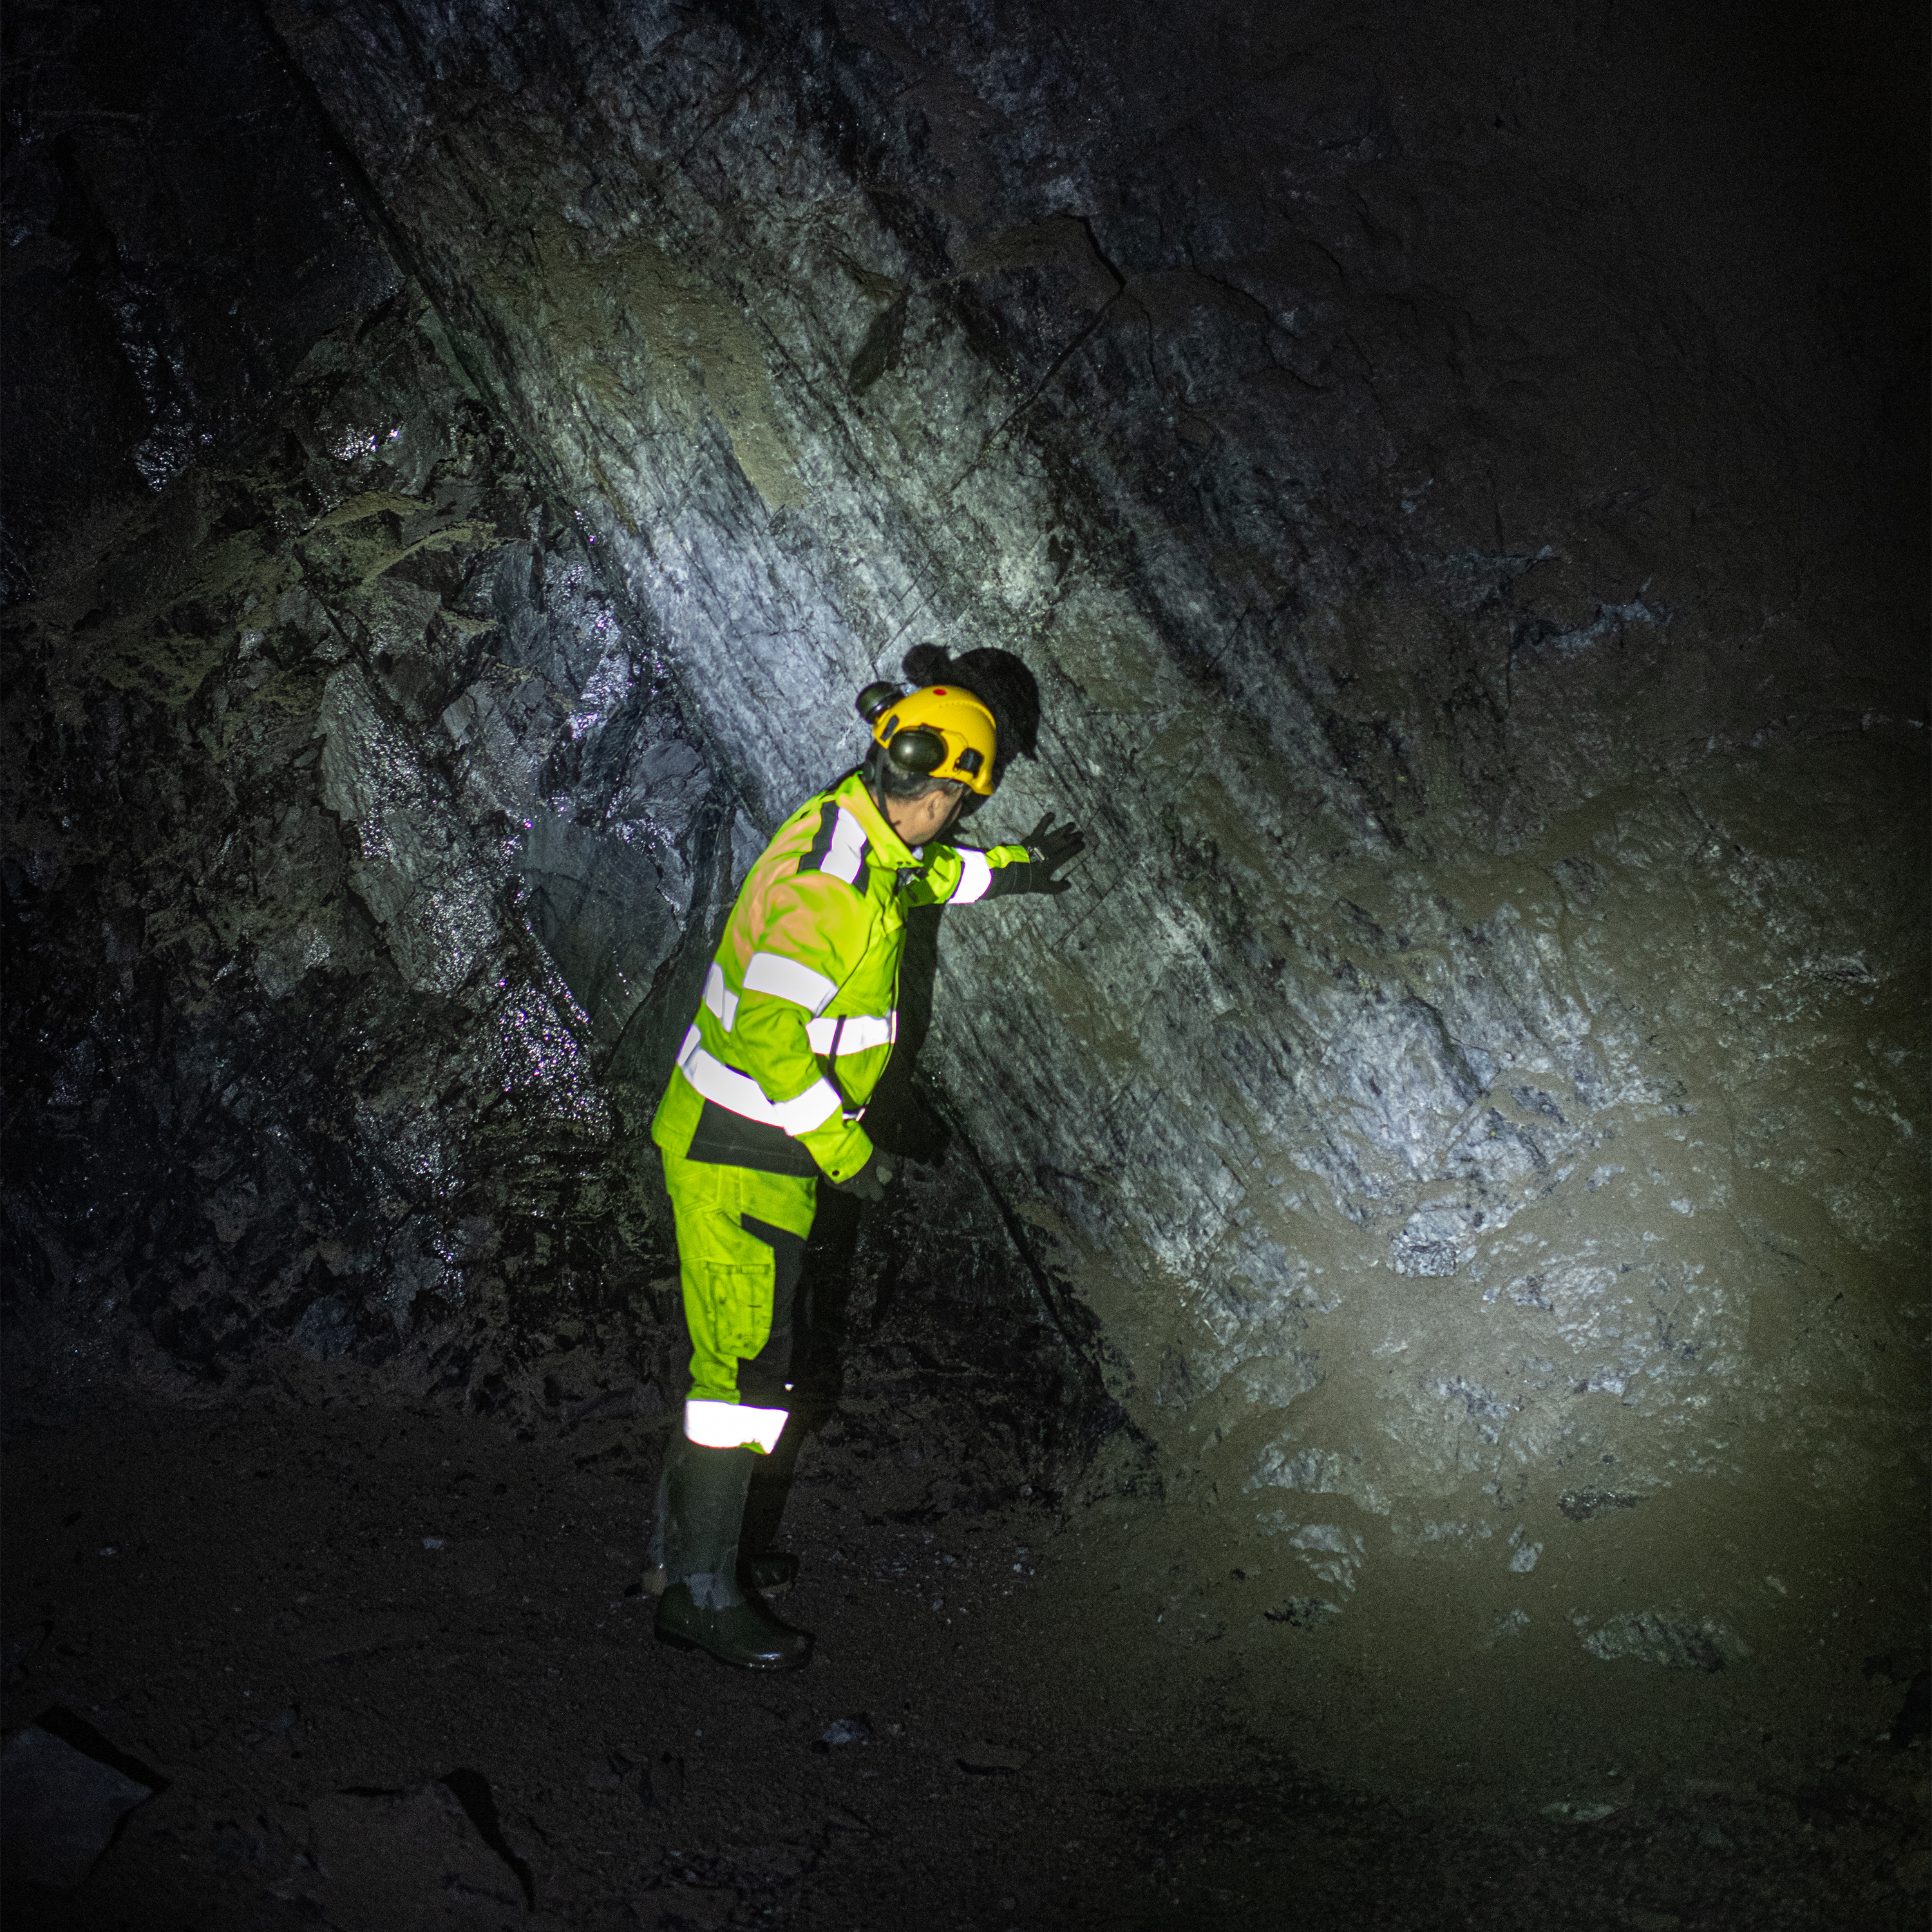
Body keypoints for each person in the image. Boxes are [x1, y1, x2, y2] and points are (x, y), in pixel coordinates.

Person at [646, 678, 1086, 1669]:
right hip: (742, 1149)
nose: (961, 818)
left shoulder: (853, 829)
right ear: (943, 792)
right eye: (971, 803)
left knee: (743, 1361)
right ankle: (700, 1595)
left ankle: (694, 1555)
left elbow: (917, 879)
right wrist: (850, 1154)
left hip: (746, 1142)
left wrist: (1012, 873)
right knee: (742, 1377)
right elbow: (768, 1034)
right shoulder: (830, 889)